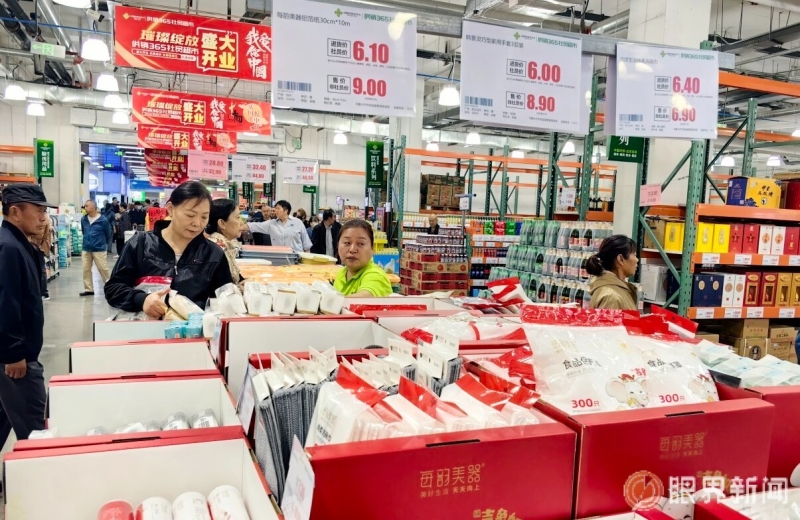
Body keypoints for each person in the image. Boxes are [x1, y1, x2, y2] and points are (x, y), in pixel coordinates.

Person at [105, 181, 233, 316]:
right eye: (190, 215)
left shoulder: (213, 254)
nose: (197, 223)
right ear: (171, 209)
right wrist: (141, 300)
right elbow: (113, 288)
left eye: (204, 217)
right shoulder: (140, 244)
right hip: (146, 326)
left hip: (194, 328)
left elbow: (225, 300)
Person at [0, 184, 54, 444]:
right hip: (17, 362)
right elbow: (6, 303)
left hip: (14, 356)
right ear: (15, 212)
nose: (43, 218)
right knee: (36, 430)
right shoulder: (8, 248)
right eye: (39, 211)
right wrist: (13, 354)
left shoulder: (20, 244)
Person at [333, 219, 392, 297]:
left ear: (372, 248)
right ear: (338, 245)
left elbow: (364, 298)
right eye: (347, 243)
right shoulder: (342, 273)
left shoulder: (376, 275)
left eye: (360, 244)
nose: (352, 250)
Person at [587, 234, 639, 310]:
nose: (637, 260)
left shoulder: (617, 291)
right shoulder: (612, 297)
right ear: (621, 259)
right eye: (634, 255)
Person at [247, 200, 312, 253]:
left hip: (296, 259)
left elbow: (307, 245)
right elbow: (255, 226)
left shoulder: (298, 222)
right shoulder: (272, 223)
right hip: (279, 259)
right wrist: (242, 226)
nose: (276, 210)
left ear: (286, 211)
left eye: (278, 208)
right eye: (275, 208)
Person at [207, 198, 244, 285]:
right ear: (222, 223)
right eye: (238, 217)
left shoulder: (224, 245)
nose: (241, 223)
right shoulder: (216, 250)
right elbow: (224, 288)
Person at [80, 200, 113, 297]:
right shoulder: (83, 219)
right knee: (86, 269)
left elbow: (108, 233)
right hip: (86, 248)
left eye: (87, 206)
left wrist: (101, 242)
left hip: (99, 248)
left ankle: (110, 287)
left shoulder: (103, 220)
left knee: (103, 269)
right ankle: (89, 289)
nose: (85, 208)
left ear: (93, 207)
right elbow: (84, 232)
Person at [28, 211, 52, 301]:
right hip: (39, 246)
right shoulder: (44, 217)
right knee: (40, 268)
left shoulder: (42, 219)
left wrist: (30, 241)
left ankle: (44, 293)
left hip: (39, 247)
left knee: (41, 269)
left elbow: (39, 235)